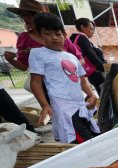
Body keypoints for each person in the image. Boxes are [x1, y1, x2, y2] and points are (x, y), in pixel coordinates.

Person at [28, 13, 99, 144]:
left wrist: (91, 95)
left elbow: (82, 80)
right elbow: (35, 83)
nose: (53, 38)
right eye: (47, 34)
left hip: (79, 105)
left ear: (65, 35)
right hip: (62, 107)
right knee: (80, 141)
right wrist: (44, 105)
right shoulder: (38, 54)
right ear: (39, 35)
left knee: (92, 137)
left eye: (57, 34)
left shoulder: (72, 57)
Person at [4, 0, 83, 72]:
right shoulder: (24, 37)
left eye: (30, 15)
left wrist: (68, 70)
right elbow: (24, 67)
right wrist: (11, 60)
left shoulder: (59, 36)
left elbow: (81, 60)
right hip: (42, 84)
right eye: (23, 15)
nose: (25, 18)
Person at [70, 18, 106, 95]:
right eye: (90, 28)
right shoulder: (81, 38)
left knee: (103, 96)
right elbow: (91, 55)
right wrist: (104, 67)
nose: (92, 32)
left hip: (92, 73)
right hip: (97, 73)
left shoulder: (75, 38)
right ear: (83, 27)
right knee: (106, 97)